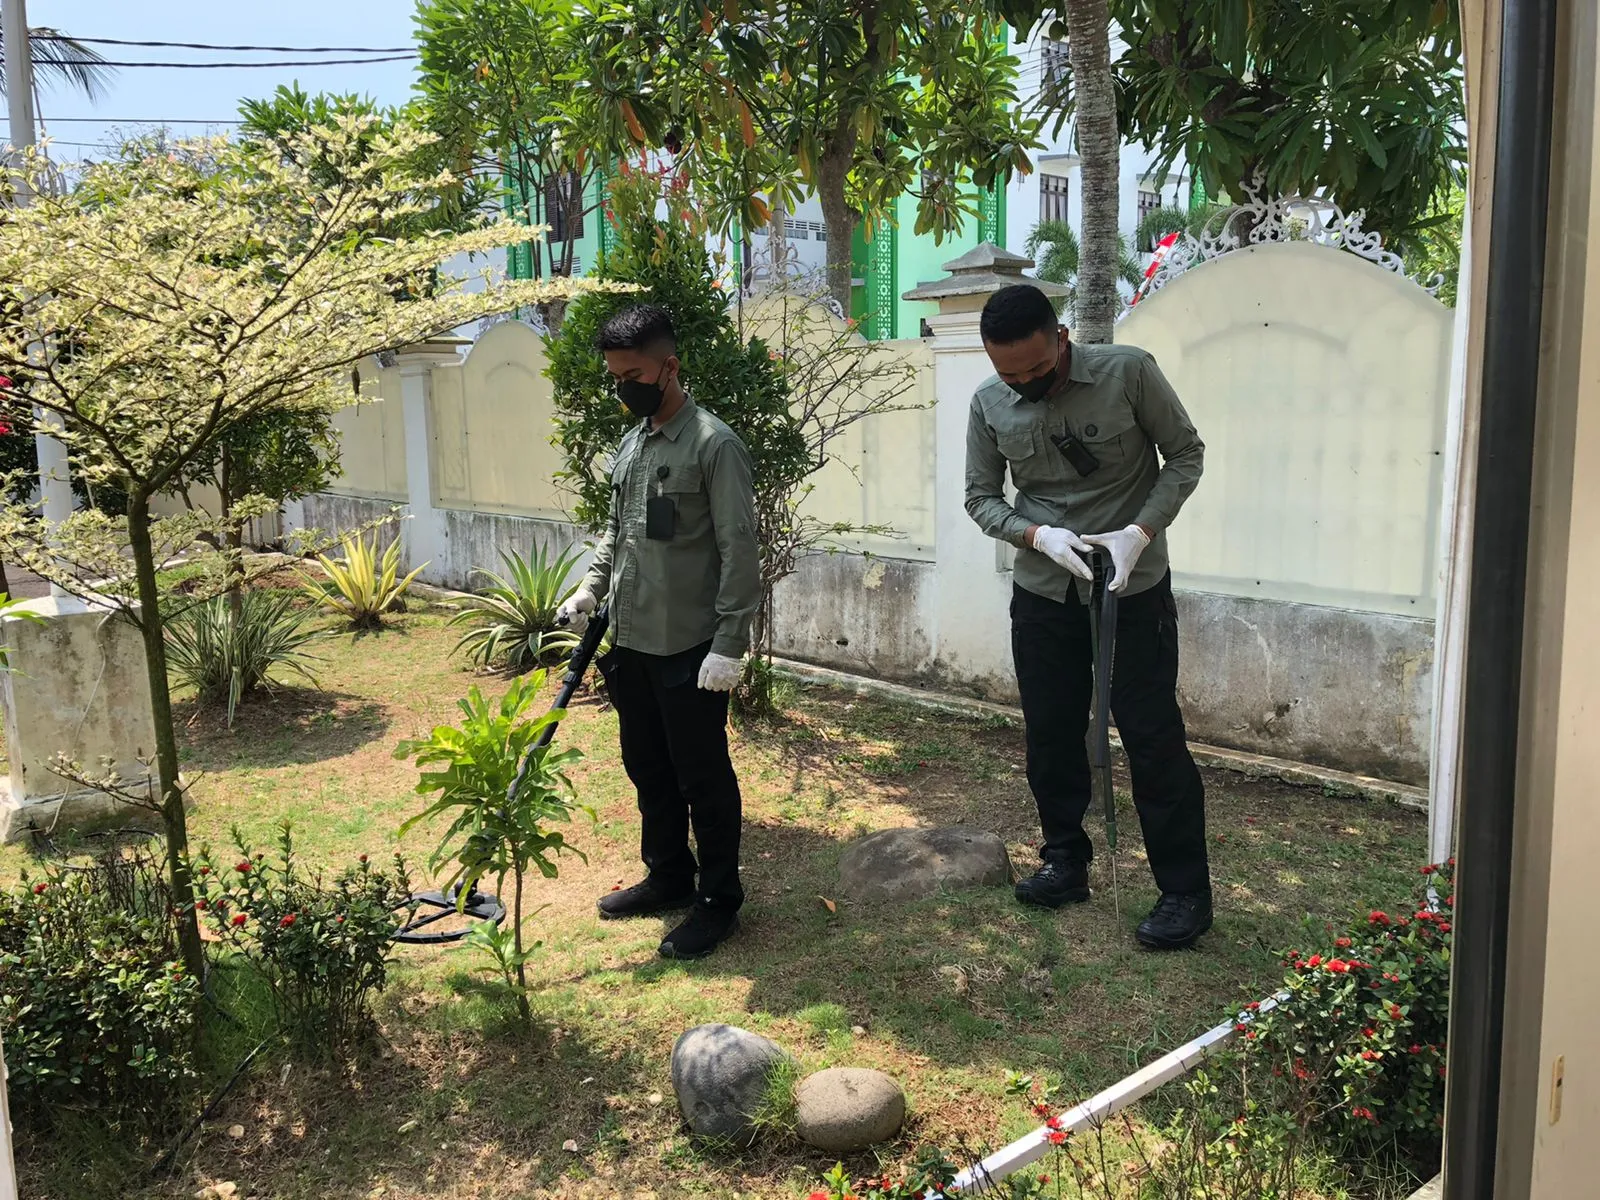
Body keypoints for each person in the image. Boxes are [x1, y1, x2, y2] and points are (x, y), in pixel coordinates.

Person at [964, 283, 1212, 950]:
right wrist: (1034, 535)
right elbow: (980, 497)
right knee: (1050, 733)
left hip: (1132, 588)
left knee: (1152, 738)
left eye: (1037, 369)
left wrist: (1141, 531)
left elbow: (1185, 454)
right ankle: (1065, 862)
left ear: (1063, 337)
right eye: (1010, 375)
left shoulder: (1129, 373)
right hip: (1045, 592)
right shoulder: (988, 402)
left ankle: (1185, 892)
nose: (1025, 383)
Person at [557, 303, 759, 960]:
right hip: (632, 639)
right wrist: (590, 588)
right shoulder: (634, 442)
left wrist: (729, 645)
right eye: (616, 377)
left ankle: (718, 902)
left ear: (669, 367)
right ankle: (669, 875)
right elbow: (618, 532)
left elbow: (739, 550)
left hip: (691, 647)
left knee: (702, 778)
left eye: (634, 375)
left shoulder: (713, 445)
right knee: (647, 768)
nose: (624, 387)